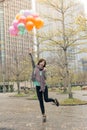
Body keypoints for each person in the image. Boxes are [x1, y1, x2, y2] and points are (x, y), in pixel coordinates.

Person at [29, 49, 59, 122]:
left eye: (44, 63)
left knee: (46, 99)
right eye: (42, 62)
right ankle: (43, 114)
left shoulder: (44, 70)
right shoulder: (35, 68)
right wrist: (30, 54)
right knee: (40, 101)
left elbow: (45, 78)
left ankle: (54, 100)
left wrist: (45, 72)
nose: (42, 63)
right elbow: (32, 62)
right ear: (39, 62)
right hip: (38, 87)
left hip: (44, 86)